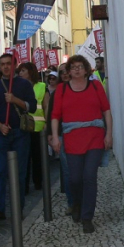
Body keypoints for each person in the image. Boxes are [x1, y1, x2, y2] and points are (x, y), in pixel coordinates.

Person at [51, 55, 112, 234]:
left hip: (94, 137)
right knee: (75, 178)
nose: (77, 69)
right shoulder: (62, 90)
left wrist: (109, 133)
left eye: (80, 66)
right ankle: (76, 202)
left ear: (86, 70)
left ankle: (87, 217)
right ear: (69, 71)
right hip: (72, 139)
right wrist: (55, 137)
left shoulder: (95, 86)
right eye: (73, 67)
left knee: (89, 176)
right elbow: (55, 116)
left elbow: (106, 110)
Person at [0, 54, 37, 220]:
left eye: (8, 63)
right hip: (2, 134)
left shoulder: (24, 84)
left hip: (20, 133)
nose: (6, 67)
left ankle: (17, 208)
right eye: (2, 64)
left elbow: (32, 107)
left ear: (14, 65)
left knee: (19, 173)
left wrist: (15, 100)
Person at [46, 64, 73, 215]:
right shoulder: (57, 93)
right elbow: (51, 113)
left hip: (77, 134)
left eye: (66, 71)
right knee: (67, 169)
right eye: (61, 72)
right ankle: (72, 202)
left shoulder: (79, 88)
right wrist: (51, 134)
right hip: (62, 133)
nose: (64, 74)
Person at [18, 62, 49, 193]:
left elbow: (46, 106)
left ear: (30, 72)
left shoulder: (42, 87)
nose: (20, 73)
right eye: (19, 71)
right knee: (24, 158)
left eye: (23, 71)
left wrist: (47, 123)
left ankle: (38, 182)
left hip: (38, 127)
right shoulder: (17, 87)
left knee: (37, 158)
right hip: (23, 127)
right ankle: (23, 185)